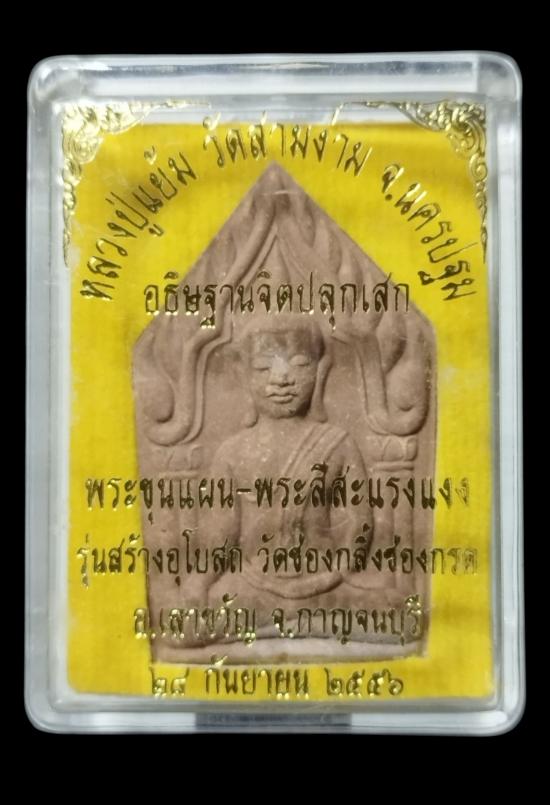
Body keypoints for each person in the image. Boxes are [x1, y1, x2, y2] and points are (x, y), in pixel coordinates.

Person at [205, 313, 371, 620]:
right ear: (244, 377)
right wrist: (200, 582)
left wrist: (336, 574)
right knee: (191, 618)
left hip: (326, 583)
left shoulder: (337, 443)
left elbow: (358, 522)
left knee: (393, 606)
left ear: (321, 372)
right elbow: (222, 531)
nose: (281, 378)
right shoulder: (232, 452)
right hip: (252, 583)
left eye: (299, 364)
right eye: (263, 367)